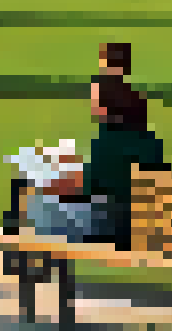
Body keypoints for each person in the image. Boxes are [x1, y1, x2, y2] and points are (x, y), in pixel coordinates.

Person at [27, 42, 164, 245]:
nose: (91, 103)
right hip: (142, 223)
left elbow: (88, 188)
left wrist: (59, 182)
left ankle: (29, 253)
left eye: (95, 98)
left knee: (39, 205)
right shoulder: (151, 140)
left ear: (107, 104)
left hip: (116, 228)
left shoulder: (107, 140)